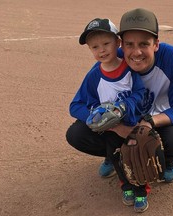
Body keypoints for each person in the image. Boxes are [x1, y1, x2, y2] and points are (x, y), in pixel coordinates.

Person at [108, 8, 173, 212]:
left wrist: (149, 122)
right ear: (121, 45)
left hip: (158, 118)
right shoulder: (115, 59)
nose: (136, 52)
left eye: (144, 44)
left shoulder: (172, 58)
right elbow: (90, 97)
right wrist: (115, 128)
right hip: (126, 120)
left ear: (156, 44)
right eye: (129, 44)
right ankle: (111, 157)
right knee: (79, 133)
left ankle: (168, 162)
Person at [66, 18, 145, 179]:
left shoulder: (130, 67)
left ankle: (163, 162)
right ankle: (114, 164)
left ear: (118, 42)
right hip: (109, 128)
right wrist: (97, 116)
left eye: (106, 44)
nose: (101, 50)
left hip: (132, 122)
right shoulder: (95, 75)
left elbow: (140, 92)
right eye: (95, 47)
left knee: (139, 155)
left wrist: (125, 106)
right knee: (113, 151)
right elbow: (75, 106)